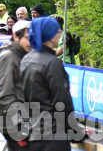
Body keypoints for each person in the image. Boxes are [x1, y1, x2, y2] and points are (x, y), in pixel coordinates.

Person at [20, 17, 88, 151]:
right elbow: (62, 101)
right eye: (58, 32)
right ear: (50, 36)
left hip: (33, 132)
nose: (60, 35)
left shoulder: (26, 60)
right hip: (53, 135)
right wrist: (76, 132)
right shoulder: (52, 63)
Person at [0, 20, 31, 151]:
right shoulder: (9, 56)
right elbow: (5, 94)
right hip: (11, 121)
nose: (32, 42)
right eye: (28, 38)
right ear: (15, 37)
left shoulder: (20, 54)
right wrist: (20, 124)